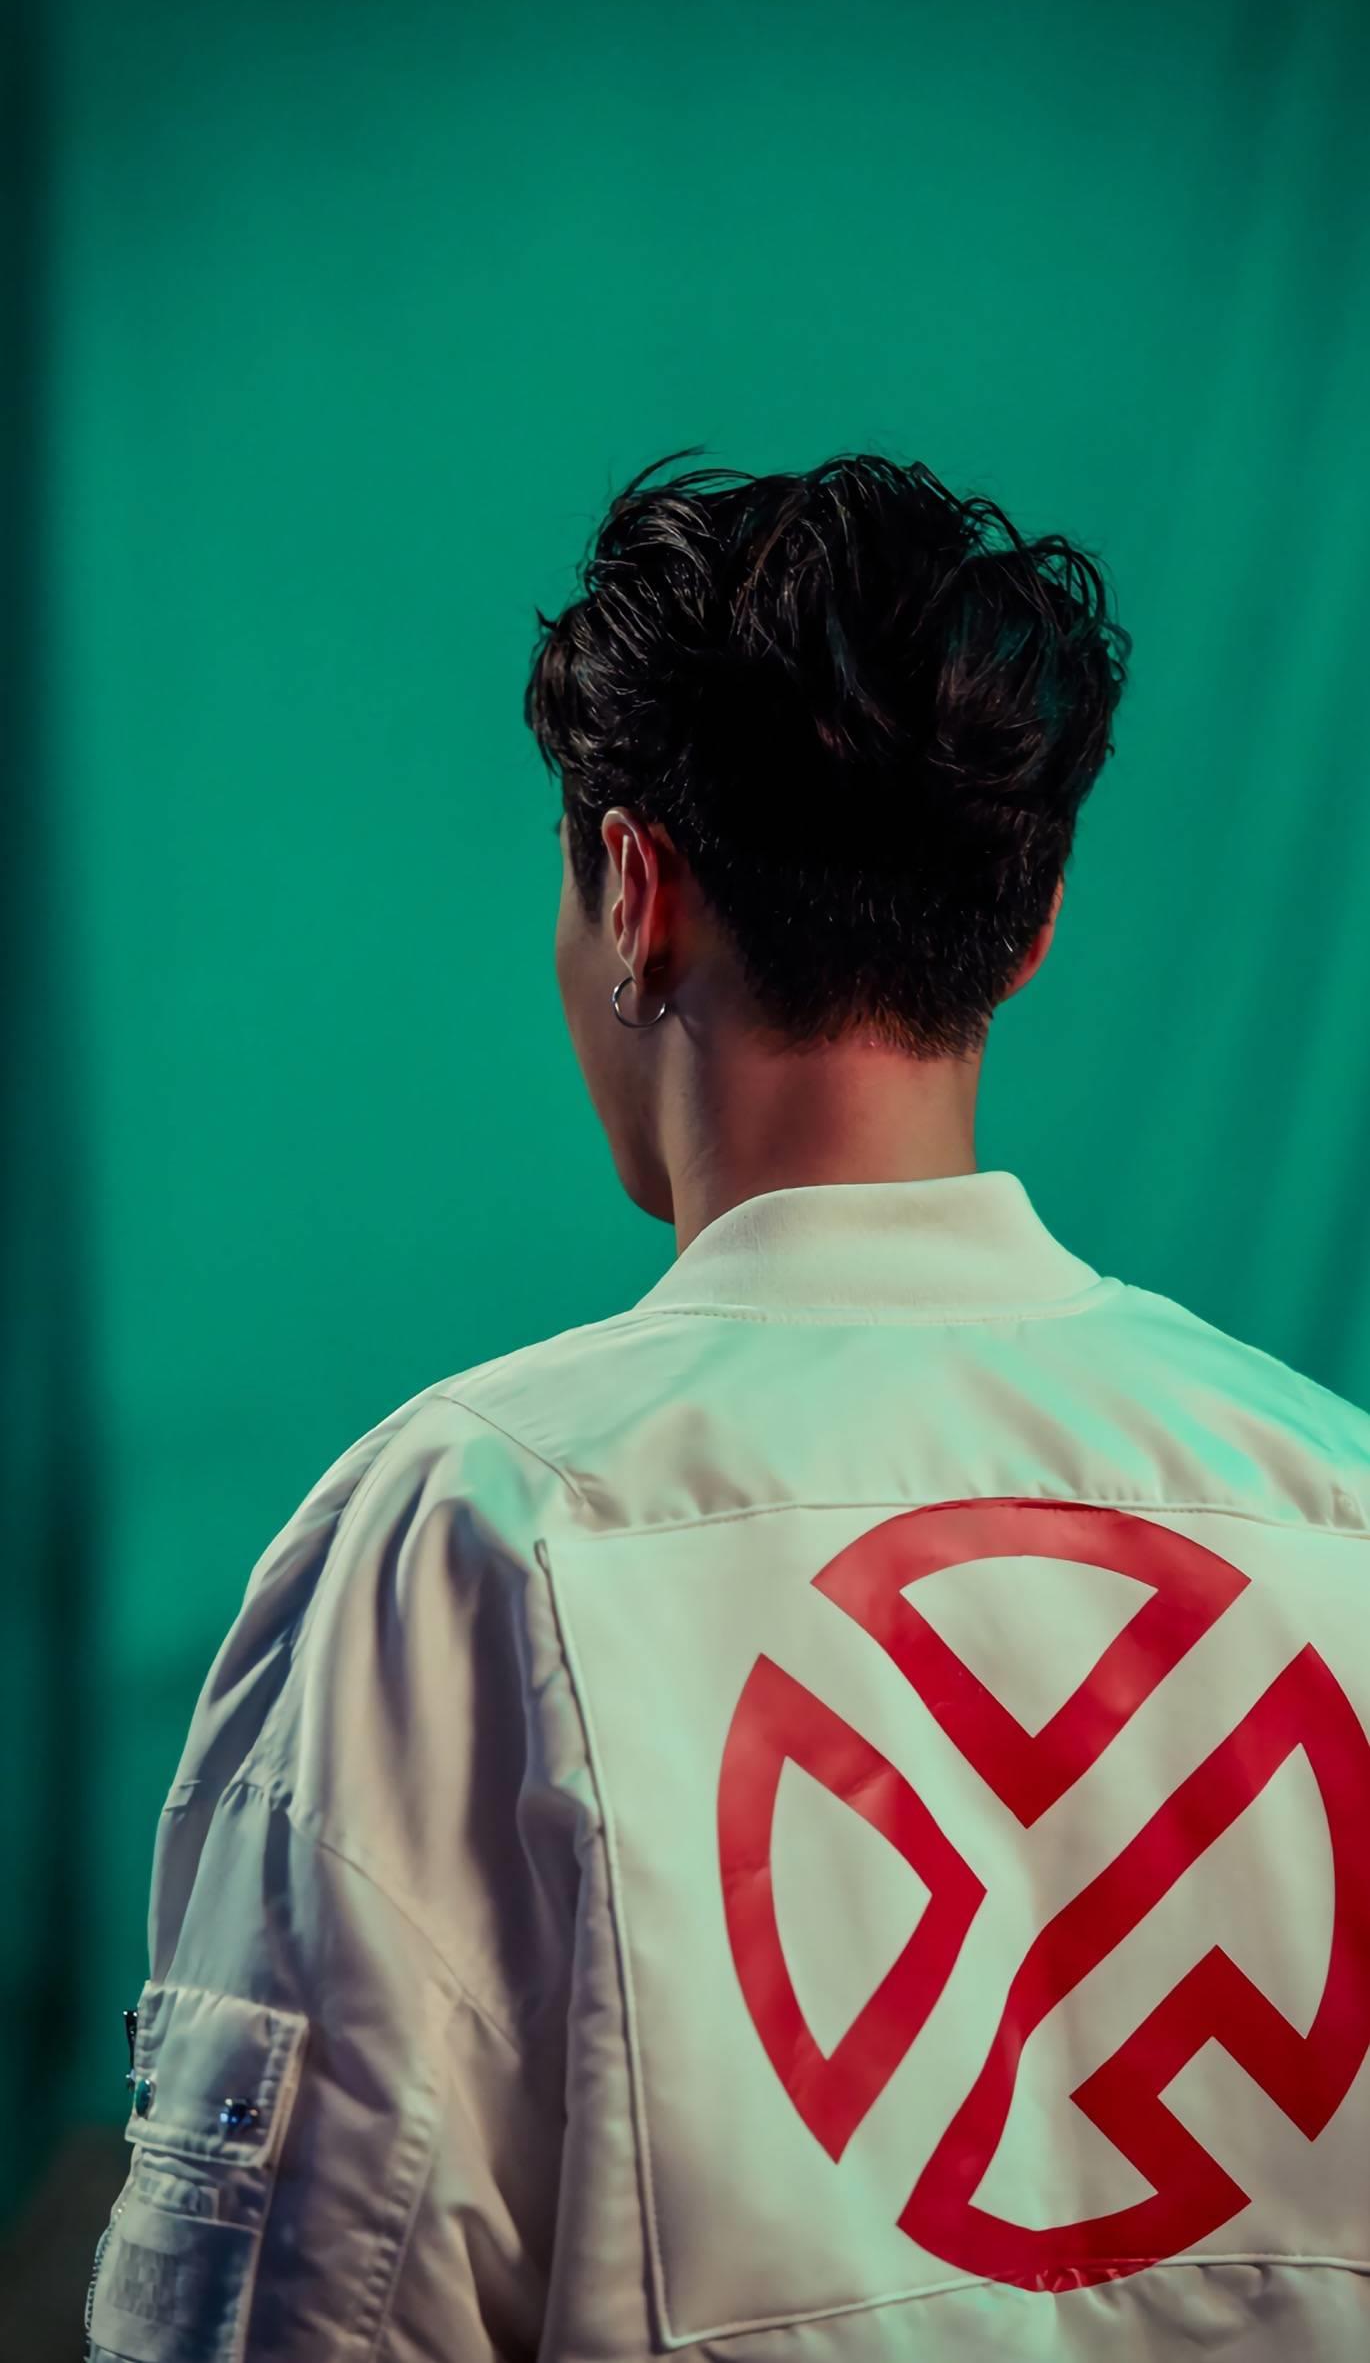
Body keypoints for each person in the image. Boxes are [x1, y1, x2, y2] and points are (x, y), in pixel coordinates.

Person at [84, 452, 1370, 2363]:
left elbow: (297, 2318)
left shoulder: (480, 1526)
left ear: (633, 891)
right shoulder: (1338, 1504)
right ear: (1031, 923)